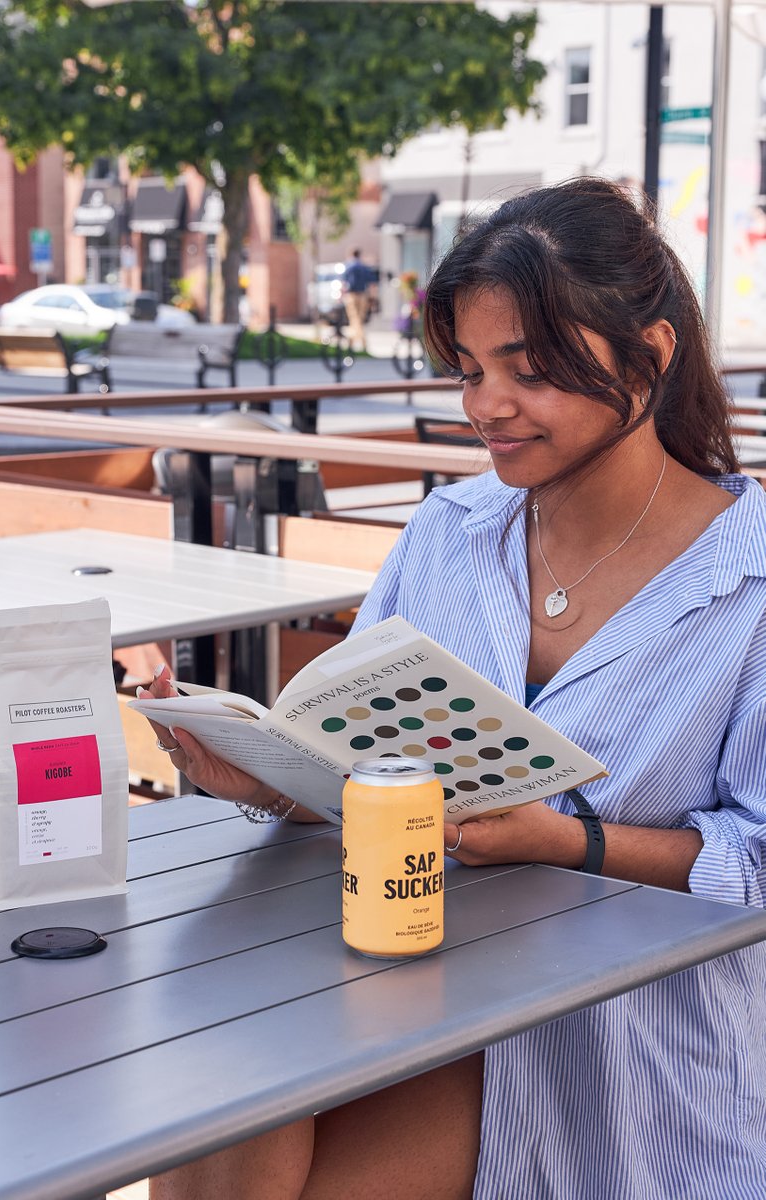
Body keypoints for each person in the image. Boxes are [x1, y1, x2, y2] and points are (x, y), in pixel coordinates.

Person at [140, 177, 766, 1199]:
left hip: (621, 1051)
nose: (486, 407)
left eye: (529, 370)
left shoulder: (751, 584)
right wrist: (262, 776)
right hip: (419, 984)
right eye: (470, 371)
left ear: (649, 358)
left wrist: (570, 840)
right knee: (226, 1097)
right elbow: (371, 765)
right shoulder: (449, 533)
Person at [342, 248, 372, 352]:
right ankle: (361, 342)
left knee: (354, 318)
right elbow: (370, 279)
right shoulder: (363, 266)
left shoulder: (348, 265)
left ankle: (353, 342)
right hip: (362, 294)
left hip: (352, 294)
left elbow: (343, 280)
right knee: (359, 319)